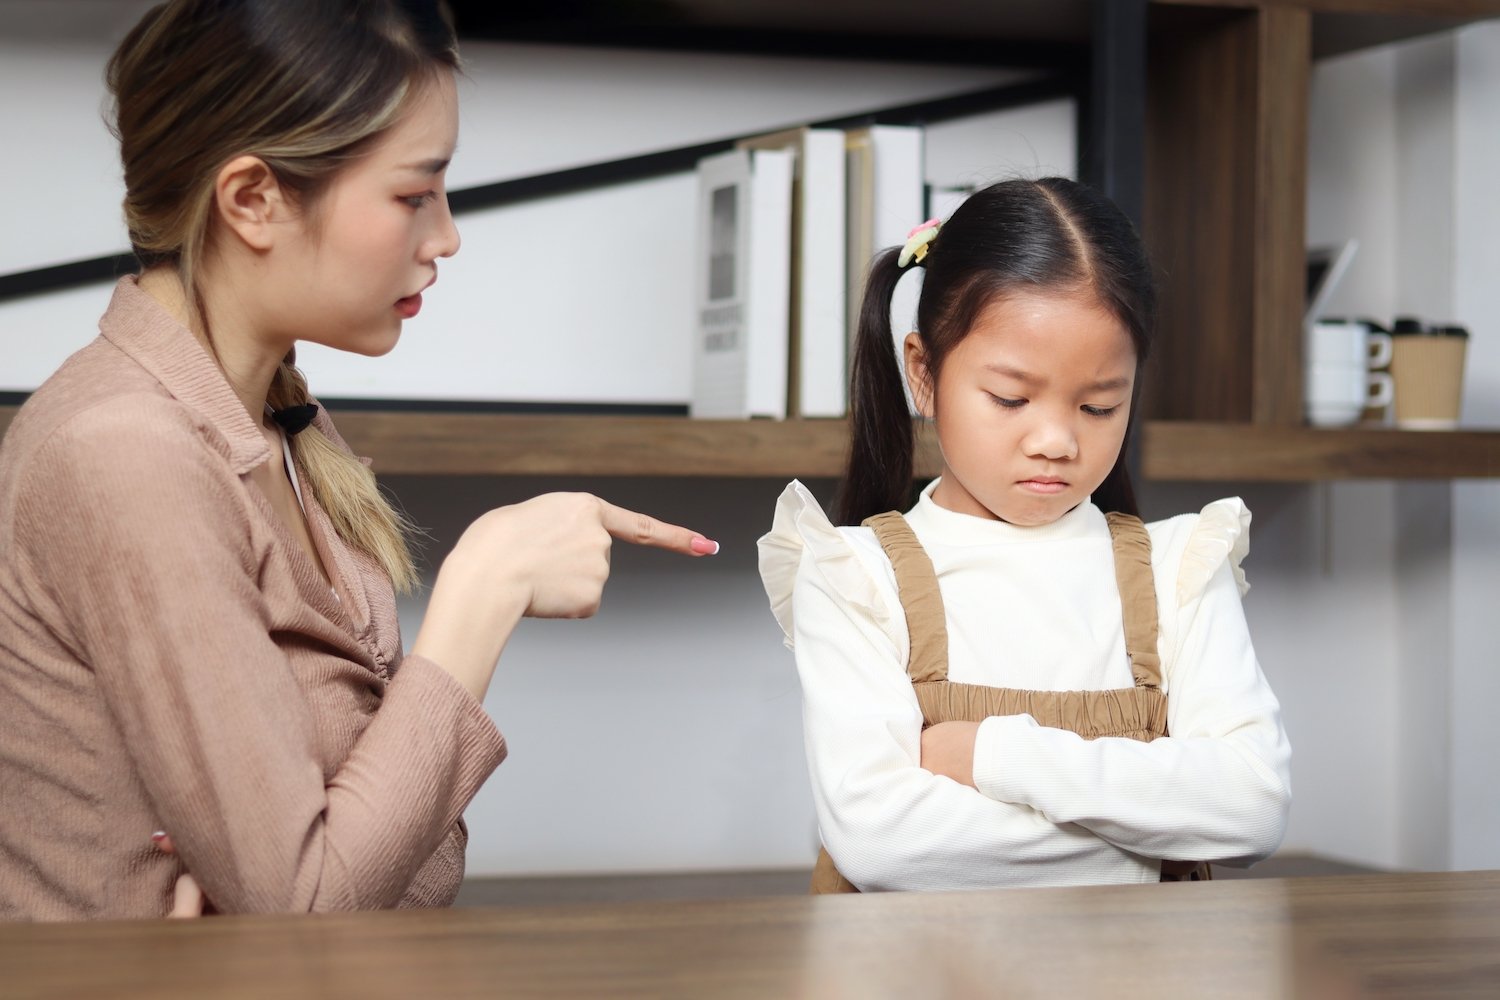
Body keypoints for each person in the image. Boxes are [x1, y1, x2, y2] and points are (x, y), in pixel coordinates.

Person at [0, 0, 718, 921]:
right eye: (415, 194)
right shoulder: (128, 454)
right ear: (253, 199)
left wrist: (325, 838)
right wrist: (483, 592)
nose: (447, 236)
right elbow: (314, 907)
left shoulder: (282, 421)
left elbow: (405, 868)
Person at [758, 178, 1291, 892]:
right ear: (924, 371)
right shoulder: (855, 575)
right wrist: (1151, 843)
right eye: (1010, 398)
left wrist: (988, 756)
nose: (1055, 440)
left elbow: (1252, 806)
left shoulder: (1181, 568)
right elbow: (882, 841)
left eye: (1100, 406)